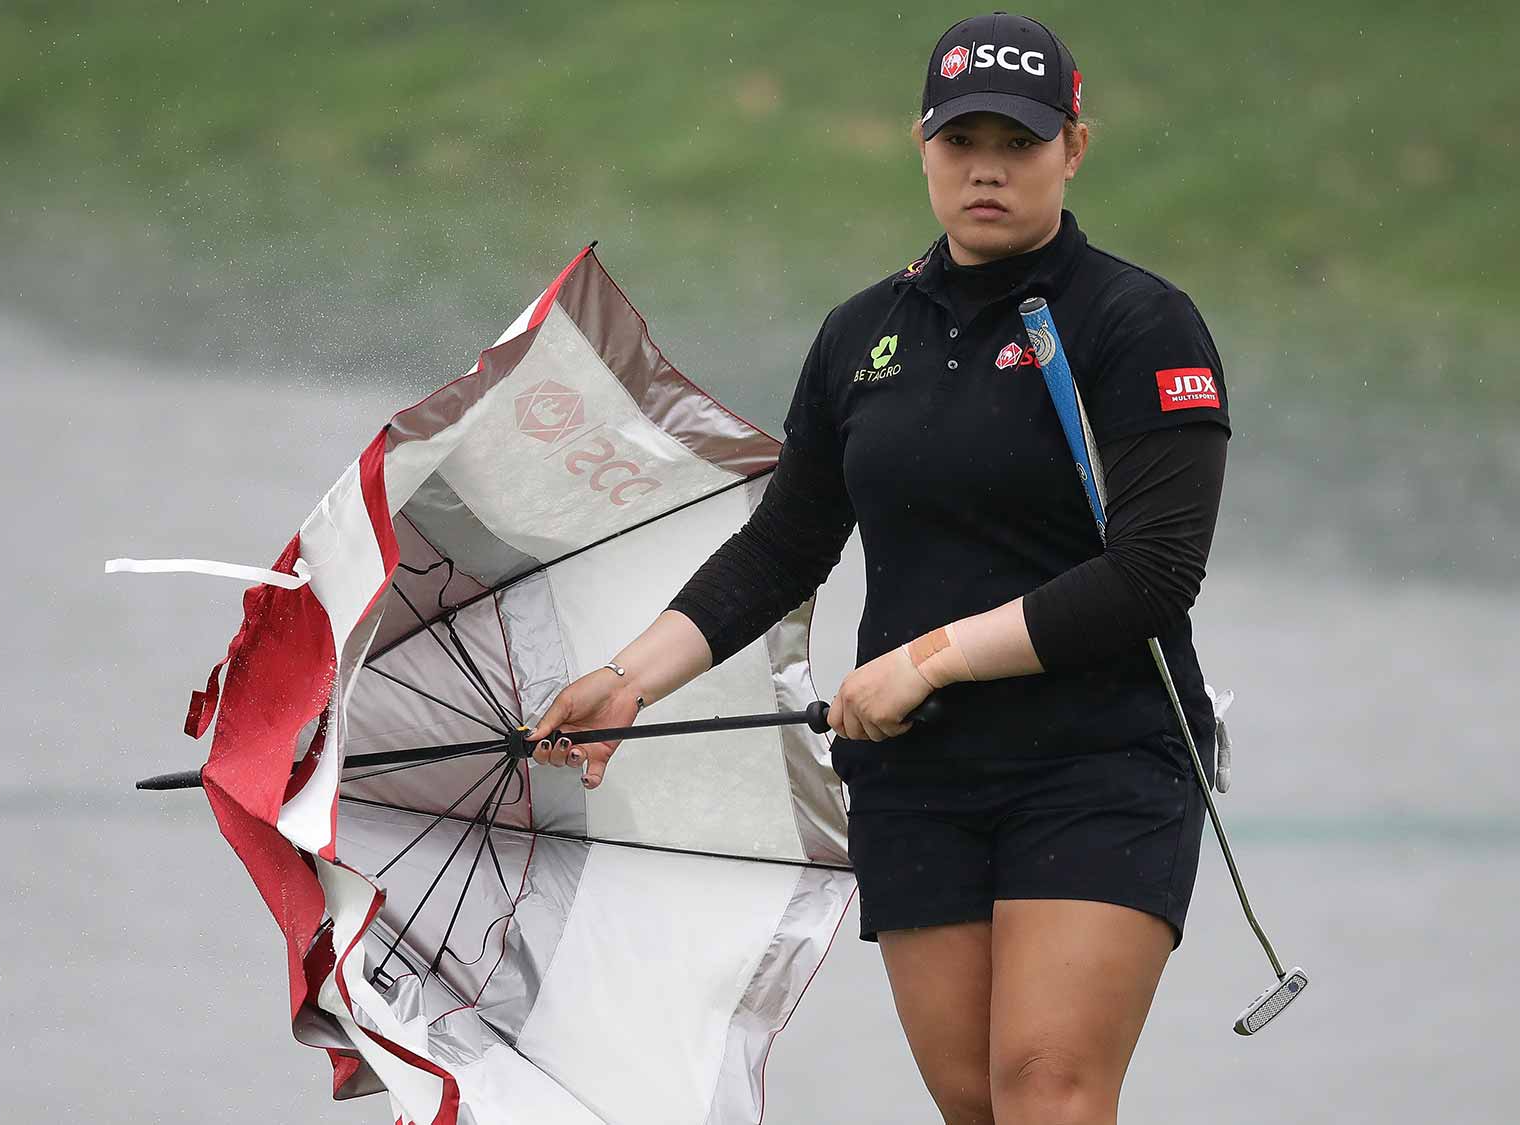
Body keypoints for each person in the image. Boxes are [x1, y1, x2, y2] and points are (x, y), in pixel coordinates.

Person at [525, 12, 1229, 1124]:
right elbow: (784, 546)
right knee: (974, 1107)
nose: (986, 168)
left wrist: (928, 660)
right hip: (919, 778)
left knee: (1046, 1090)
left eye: (1019, 142)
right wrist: (629, 680)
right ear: (921, 145)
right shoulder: (861, 335)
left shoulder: (1138, 325)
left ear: (1073, 148)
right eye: (960, 142)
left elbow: (1151, 574)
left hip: (1100, 759)